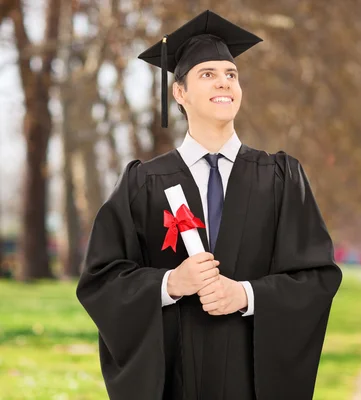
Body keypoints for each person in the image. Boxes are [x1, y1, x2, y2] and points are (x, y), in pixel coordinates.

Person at [75, 9, 343, 400]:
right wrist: (169, 284)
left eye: (230, 74)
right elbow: (101, 280)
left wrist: (247, 296)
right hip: (174, 382)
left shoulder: (280, 178)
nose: (224, 83)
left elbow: (317, 277)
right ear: (179, 93)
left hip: (250, 383)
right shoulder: (143, 183)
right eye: (208, 74)